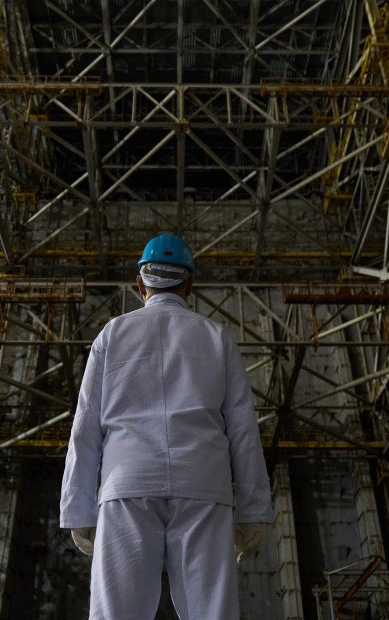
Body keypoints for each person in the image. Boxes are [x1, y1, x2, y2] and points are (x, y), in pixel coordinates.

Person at [60, 233, 273, 619]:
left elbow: (85, 425)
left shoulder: (111, 334)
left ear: (139, 284)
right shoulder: (217, 337)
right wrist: (253, 509)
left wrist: (78, 510)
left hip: (127, 484)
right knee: (213, 613)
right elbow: (243, 429)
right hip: (203, 485)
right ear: (190, 284)